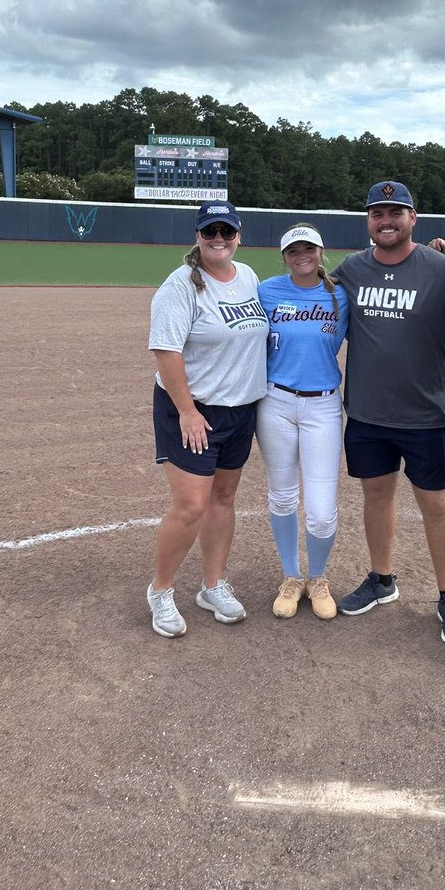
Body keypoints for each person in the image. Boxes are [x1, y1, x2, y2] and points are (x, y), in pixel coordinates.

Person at [330, 180, 445, 645]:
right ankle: (382, 578)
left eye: (396, 212)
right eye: (377, 213)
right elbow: (310, 295)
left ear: (414, 218)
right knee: (376, 496)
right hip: (369, 413)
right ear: (368, 222)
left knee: (436, 504)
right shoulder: (351, 268)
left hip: (427, 413)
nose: (386, 220)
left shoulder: (442, 270)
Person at [145, 201, 268, 638]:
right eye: (210, 231)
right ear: (197, 236)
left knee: (223, 498)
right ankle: (161, 590)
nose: (219, 239)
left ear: (238, 235)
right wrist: (187, 412)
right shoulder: (179, 287)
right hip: (193, 409)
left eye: (227, 231)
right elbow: (167, 351)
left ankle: (212, 585)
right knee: (191, 504)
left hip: (240, 409)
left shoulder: (248, 276)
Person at [256, 224, 349, 620]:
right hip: (275, 402)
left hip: (324, 407)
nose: (301, 255)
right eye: (293, 250)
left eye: (308, 248)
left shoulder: (340, 294)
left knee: (322, 509)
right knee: (281, 495)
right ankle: (292, 577)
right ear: (284, 255)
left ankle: (318, 577)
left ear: (320, 251)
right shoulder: (266, 290)